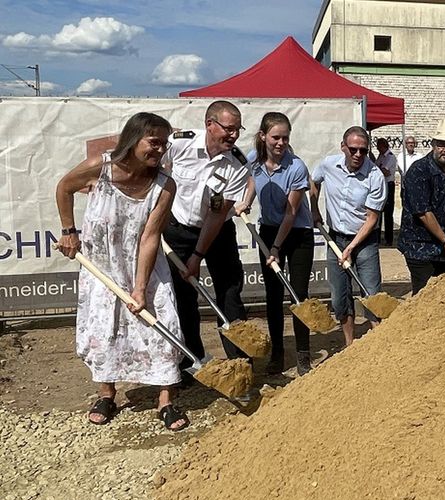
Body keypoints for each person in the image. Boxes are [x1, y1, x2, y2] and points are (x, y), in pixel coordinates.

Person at [55, 112, 188, 431]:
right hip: (103, 268)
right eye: (154, 142)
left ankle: (166, 400)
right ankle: (106, 394)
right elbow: (63, 188)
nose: (160, 150)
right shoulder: (98, 170)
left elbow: (150, 236)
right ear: (133, 139)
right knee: (105, 331)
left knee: (161, 327)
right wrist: (69, 231)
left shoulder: (164, 186)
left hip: (145, 268)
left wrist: (141, 288)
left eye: (164, 144)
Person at [162, 100, 252, 376]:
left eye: (238, 129)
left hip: (218, 232)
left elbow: (217, 214)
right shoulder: (179, 144)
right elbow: (158, 174)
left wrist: (197, 256)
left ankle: (240, 362)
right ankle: (192, 360)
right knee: (183, 297)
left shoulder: (237, 164)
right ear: (209, 125)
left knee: (229, 293)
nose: (234, 135)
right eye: (229, 128)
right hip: (178, 230)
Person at [242, 112, 314, 376]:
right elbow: (252, 178)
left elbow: (291, 214)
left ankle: (304, 355)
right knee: (273, 296)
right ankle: (277, 354)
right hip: (269, 231)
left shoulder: (296, 167)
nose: (280, 143)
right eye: (275, 137)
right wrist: (247, 200)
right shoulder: (254, 160)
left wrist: (275, 249)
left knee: (298, 294)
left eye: (285, 138)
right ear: (263, 137)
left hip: (297, 234)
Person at [311, 126, 386, 348]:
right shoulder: (328, 165)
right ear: (343, 147)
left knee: (371, 295)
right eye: (353, 149)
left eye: (363, 150)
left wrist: (352, 248)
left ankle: (379, 346)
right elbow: (313, 182)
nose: (358, 155)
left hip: (364, 242)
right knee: (340, 298)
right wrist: (314, 208)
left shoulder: (375, 177)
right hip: (335, 238)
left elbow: (372, 219)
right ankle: (350, 345)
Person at [398, 120, 445, 294]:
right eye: (441, 145)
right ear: (433, 145)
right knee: (425, 296)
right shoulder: (419, 170)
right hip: (420, 246)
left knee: (444, 296)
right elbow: (423, 212)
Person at [375, 138, 398, 245]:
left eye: (379, 146)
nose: (377, 148)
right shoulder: (381, 156)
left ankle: (389, 239)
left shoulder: (390, 157)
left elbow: (385, 172)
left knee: (388, 213)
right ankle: (378, 237)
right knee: (378, 211)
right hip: (380, 185)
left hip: (388, 184)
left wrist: (377, 169)